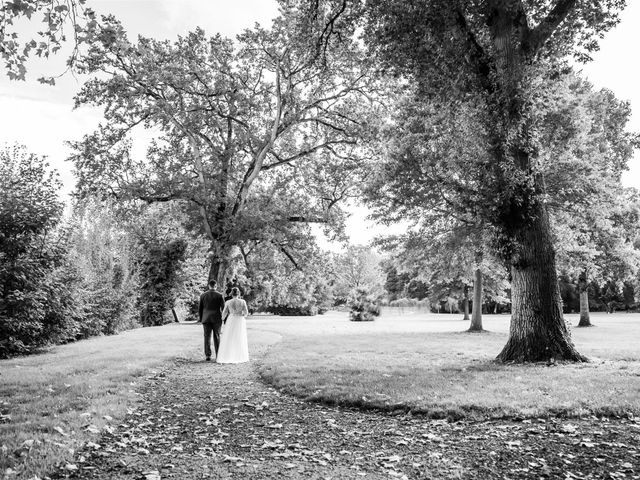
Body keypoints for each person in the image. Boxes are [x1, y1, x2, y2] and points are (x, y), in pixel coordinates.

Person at [216, 287, 249, 364]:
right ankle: (239, 356)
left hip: (231, 319)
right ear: (239, 293)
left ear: (231, 293)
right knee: (239, 337)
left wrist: (222, 319)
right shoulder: (242, 301)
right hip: (239, 320)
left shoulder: (228, 302)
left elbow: (224, 313)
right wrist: (242, 314)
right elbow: (246, 313)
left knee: (229, 337)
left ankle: (228, 356)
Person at [198, 279, 225, 361]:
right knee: (217, 336)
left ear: (209, 285)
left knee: (207, 337)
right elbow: (223, 308)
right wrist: (224, 318)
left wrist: (201, 318)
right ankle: (218, 355)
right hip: (217, 318)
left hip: (206, 318)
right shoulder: (219, 295)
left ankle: (208, 355)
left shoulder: (203, 295)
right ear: (216, 286)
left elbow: (200, 309)